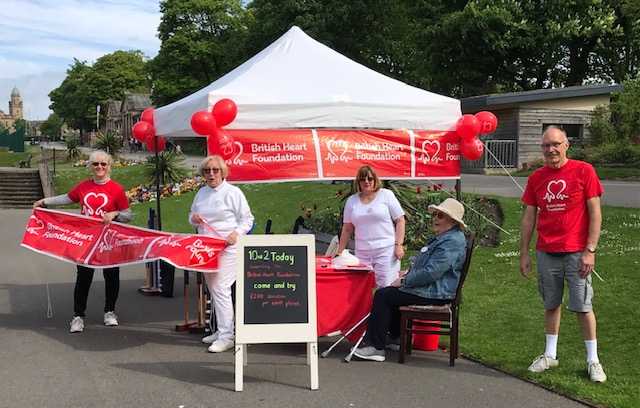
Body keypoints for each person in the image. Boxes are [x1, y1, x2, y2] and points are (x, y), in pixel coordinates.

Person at [519, 125, 606, 383]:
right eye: (546, 146)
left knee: (582, 305)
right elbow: (528, 217)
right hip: (546, 250)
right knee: (551, 303)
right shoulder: (536, 178)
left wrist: (590, 250)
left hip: (577, 251)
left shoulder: (584, 170)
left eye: (555, 144)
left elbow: (595, 212)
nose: (551, 150)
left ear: (566, 145)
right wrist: (524, 252)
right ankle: (550, 355)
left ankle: (593, 361)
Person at [353, 198, 468, 362]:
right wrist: (406, 274)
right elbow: (428, 268)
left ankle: (375, 347)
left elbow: (431, 273)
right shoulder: (446, 238)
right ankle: (394, 338)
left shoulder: (451, 241)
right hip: (431, 289)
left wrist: (404, 281)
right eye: (435, 214)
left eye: (440, 215)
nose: (435, 218)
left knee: (383, 295)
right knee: (390, 293)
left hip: (435, 294)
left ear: (453, 220)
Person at [33, 150, 132, 333]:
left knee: (111, 276)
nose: (99, 167)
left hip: (108, 241)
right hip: (86, 240)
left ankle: (110, 312)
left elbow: (128, 215)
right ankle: (78, 316)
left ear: (109, 166)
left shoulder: (116, 189)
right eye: (95, 164)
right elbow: (67, 198)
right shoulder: (84, 186)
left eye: (103, 164)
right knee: (84, 277)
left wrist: (114, 214)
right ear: (91, 167)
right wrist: (45, 201)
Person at [189, 155, 254, 353]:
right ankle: (221, 329)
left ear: (222, 172)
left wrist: (236, 233)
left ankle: (228, 335)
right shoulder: (200, 194)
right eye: (207, 171)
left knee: (220, 287)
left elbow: (247, 219)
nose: (211, 174)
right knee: (213, 287)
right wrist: (195, 218)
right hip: (206, 248)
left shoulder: (233, 193)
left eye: (215, 170)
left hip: (228, 247)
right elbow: (190, 216)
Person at [337, 165, 406, 287]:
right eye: (362, 179)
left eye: (370, 178)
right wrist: (340, 252)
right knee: (360, 289)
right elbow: (347, 229)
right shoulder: (351, 201)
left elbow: (400, 220)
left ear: (375, 179)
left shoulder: (386, 195)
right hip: (362, 253)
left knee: (386, 287)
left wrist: (399, 245)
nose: (366, 182)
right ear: (358, 182)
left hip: (386, 251)